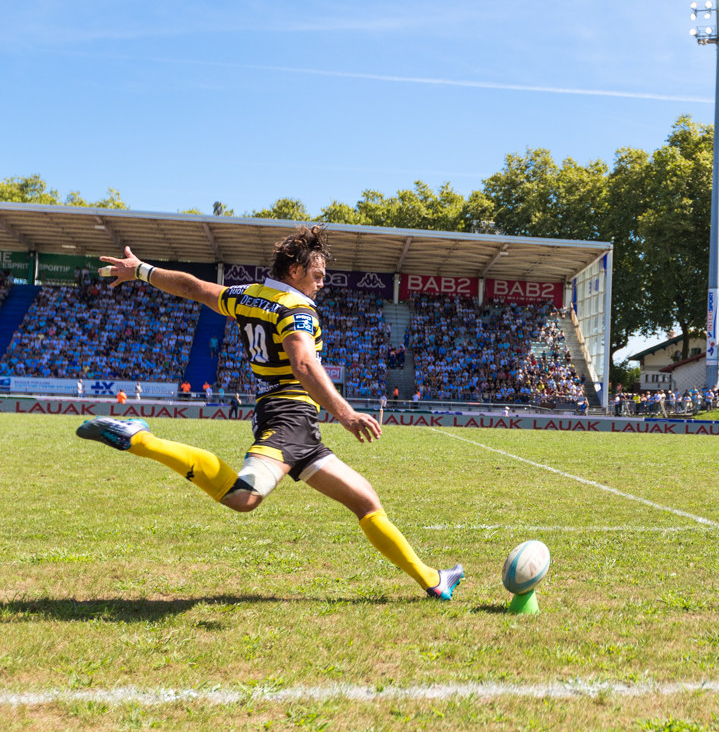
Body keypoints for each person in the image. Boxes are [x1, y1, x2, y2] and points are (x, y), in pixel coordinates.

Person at [76, 227, 463, 600]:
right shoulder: (296, 309)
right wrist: (346, 413)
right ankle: (140, 439)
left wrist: (142, 271)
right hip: (290, 415)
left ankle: (432, 580)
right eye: (317, 275)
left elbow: (194, 288)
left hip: (288, 419)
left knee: (365, 500)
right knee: (242, 498)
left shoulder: (249, 296)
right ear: (294, 271)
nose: (321, 283)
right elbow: (305, 366)